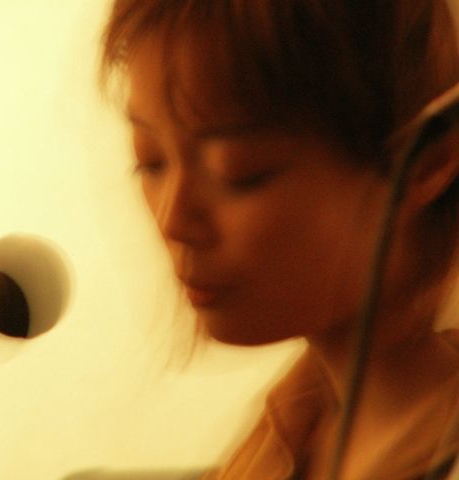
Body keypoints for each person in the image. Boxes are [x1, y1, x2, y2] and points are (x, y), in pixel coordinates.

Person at [99, 1, 459, 478]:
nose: (173, 221)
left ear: (428, 162)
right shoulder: (294, 427)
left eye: (239, 172)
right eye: (150, 161)